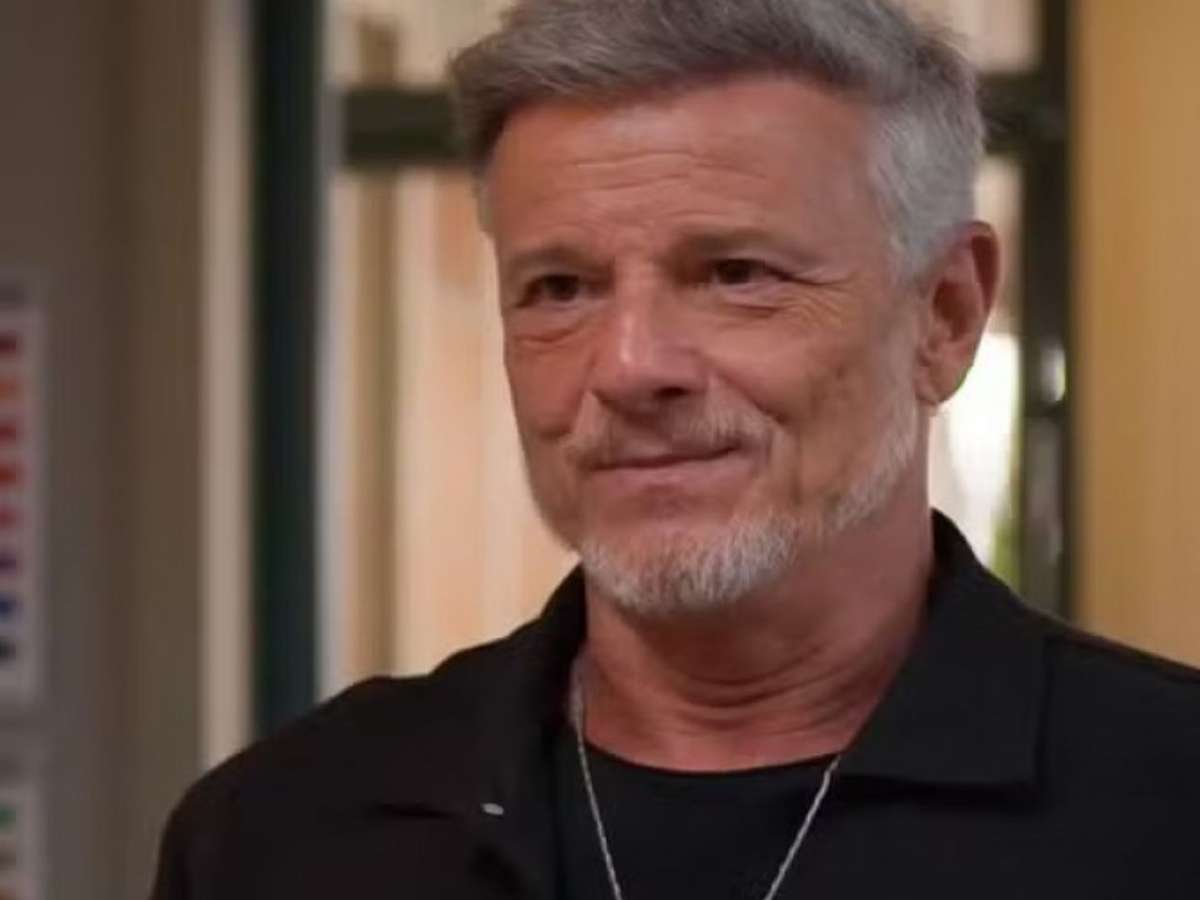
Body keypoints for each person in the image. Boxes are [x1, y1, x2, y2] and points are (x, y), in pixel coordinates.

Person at [151, 1, 1200, 898]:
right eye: (560, 288)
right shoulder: (285, 834)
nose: (629, 366)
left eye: (736, 273)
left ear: (946, 314)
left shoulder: (1165, 806)